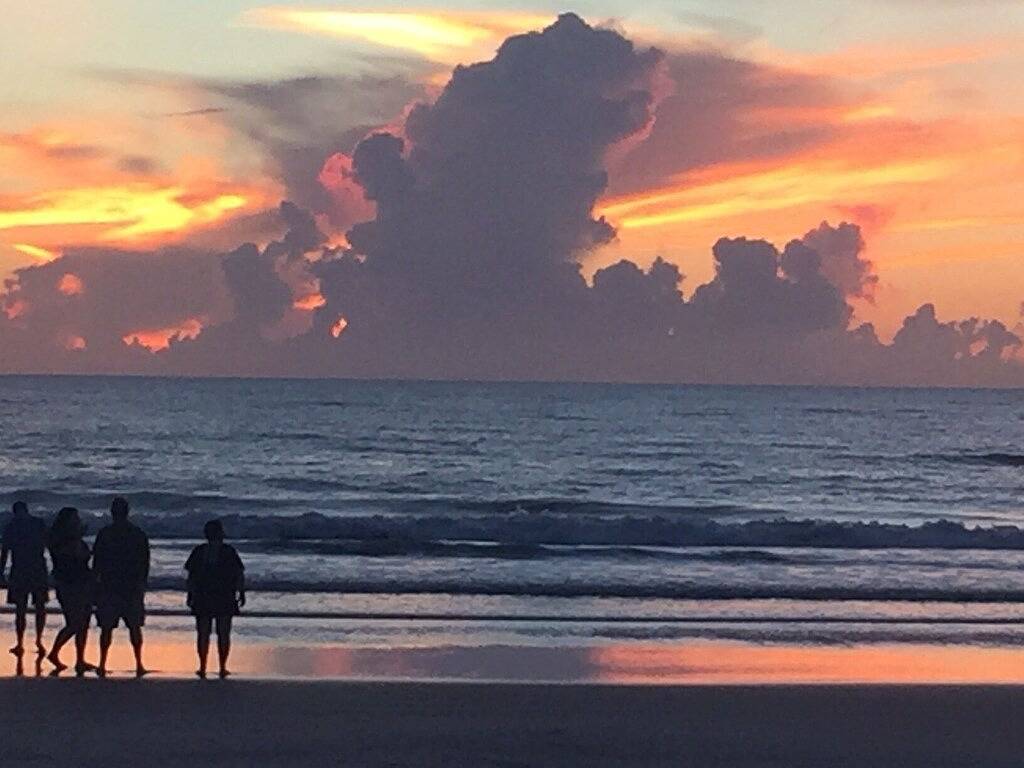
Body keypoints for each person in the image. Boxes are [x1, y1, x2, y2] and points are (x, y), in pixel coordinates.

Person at [92, 497, 150, 677]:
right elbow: (144, 561)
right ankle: (139, 663)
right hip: (130, 586)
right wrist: (142, 582)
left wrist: (96, 584)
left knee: (107, 628)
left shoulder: (105, 534)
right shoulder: (137, 533)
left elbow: (97, 562)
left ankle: (102, 663)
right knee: (134, 627)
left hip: (110, 585)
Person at [185, 519, 245, 679]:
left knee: (203, 633)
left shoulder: (199, 552)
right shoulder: (228, 551)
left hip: (204, 596)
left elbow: (191, 577)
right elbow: (239, 574)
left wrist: (190, 594)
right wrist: (241, 592)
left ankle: (203, 666)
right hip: (224, 596)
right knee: (223, 633)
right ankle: (222, 667)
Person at [46, 507, 95, 674]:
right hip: (68, 584)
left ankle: (80, 659)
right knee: (74, 623)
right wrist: (77, 537)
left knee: (83, 623)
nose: (77, 521)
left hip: (82, 582)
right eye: (74, 518)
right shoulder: (60, 541)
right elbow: (73, 556)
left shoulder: (72, 539)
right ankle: (54, 652)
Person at [0, 501, 49, 657]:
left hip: (20, 570)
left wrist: (1, 572)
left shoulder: (11, 527)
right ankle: (37, 641)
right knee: (38, 607)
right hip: (37, 569)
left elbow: (5, 552)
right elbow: (49, 545)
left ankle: (22, 642)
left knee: (22, 609)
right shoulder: (38, 523)